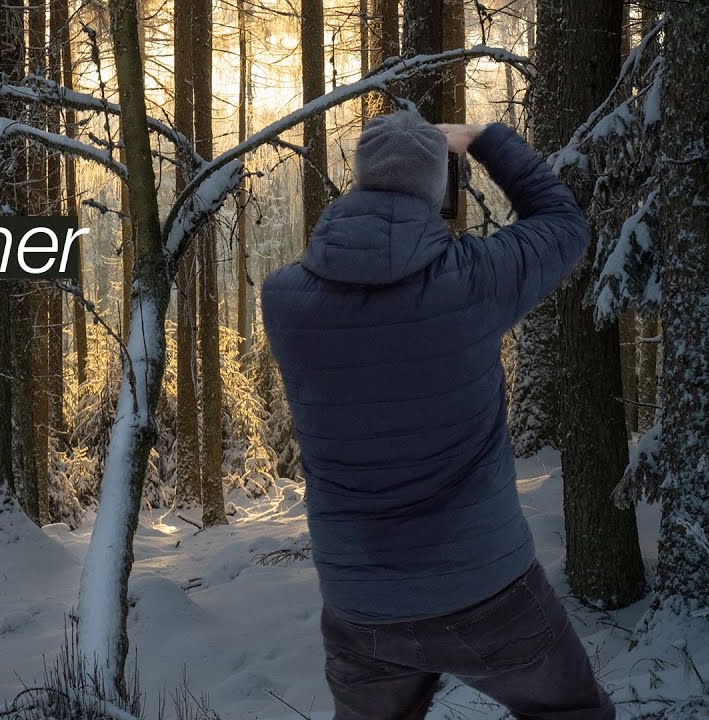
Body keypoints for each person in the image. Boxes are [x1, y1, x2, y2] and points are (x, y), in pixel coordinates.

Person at [259, 111, 615, 720]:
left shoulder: (285, 299)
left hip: (361, 602)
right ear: (439, 187)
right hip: (488, 589)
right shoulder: (472, 280)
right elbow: (562, 223)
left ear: (360, 178)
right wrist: (485, 141)